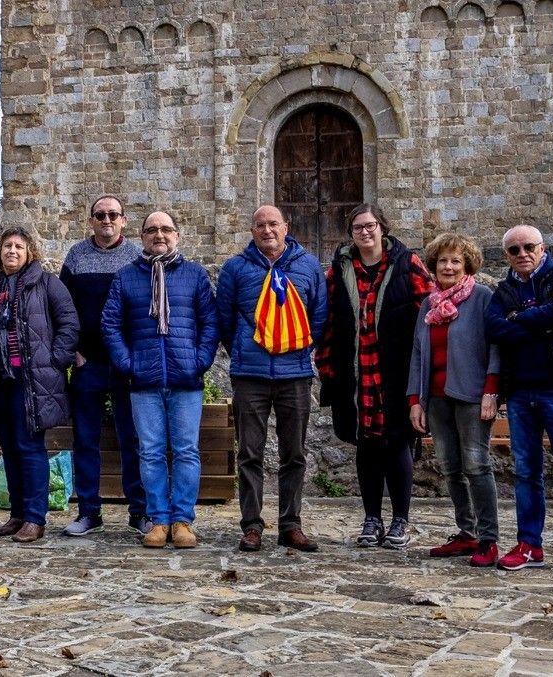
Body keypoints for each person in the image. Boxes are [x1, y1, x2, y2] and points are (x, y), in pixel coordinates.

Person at [316, 203, 432, 549]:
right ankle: (371, 519)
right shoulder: (339, 269)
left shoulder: (407, 263)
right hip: (356, 370)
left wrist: (421, 368)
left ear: (382, 227)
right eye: (357, 227)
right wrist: (327, 369)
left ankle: (400, 520)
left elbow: (429, 311)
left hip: (394, 371)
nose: (364, 232)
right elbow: (328, 321)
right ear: (350, 233)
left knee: (397, 442)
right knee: (365, 444)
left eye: (370, 226)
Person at [103, 211, 218, 549]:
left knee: (186, 451)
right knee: (150, 452)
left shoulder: (195, 275)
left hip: (186, 379)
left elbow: (210, 323)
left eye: (166, 229)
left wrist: (200, 361)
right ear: (142, 236)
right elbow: (110, 325)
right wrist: (128, 364)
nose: (159, 235)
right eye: (152, 230)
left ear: (177, 236)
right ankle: (158, 520)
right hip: (144, 381)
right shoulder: (126, 277)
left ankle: (182, 521)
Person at [485, 225, 553, 576]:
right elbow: (494, 329)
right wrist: (543, 319)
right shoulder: (502, 290)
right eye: (514, 250)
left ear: (542, 247)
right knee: (526, 473)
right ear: (506, 256)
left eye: (528, 247)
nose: (522, 254)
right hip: (520, 393)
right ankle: (529, 543)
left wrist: (520, 318)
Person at [218, 205, 327, 553]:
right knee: (249, 453)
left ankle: (290, 524)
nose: (267, 230)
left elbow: (319, 315)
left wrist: (297, 346)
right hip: (250, 374)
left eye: (273, 224)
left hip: (294, 374)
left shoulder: (308, 266)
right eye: (260, 225)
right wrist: (243, 350)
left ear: (286, 227)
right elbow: (224, 319)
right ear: (251, 230)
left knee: (294, 452)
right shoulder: (236, 268)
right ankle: (251, 526)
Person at [0, 227, 79, 543]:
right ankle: (18, 514)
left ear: (29, 252)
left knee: (30, 447)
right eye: (7, 246)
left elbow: (69, 323)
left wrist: (54, 358)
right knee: (8, 448)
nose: (12, 251)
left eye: (19, 246)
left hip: (32, 381)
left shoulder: (47, 283)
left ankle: (35, 518)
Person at [408, 233, 501, 567]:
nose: (448, 266)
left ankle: (488, 539)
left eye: (455, 261)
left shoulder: (482, 298)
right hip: (436, 397)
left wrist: (491, 391)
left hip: (473, 396)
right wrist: (415, 400)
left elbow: (495, 347)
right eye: (443, 261)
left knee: (476, 464)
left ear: (467, 265)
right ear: (434, 265)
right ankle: (467, 532)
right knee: (450, 467)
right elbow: (418, 353)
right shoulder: (428, 304)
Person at [58, 195, 149, 537]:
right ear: (91, 220)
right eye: (100, 215)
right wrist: (73, 353)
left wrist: (136, 354)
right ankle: (89, 512)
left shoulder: (137, 257)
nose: (106, 220)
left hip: (126, 363)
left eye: (113, 214)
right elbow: (62, 310)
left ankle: (139, 512)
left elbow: (146, 309)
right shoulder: (77, 257)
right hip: (88, 363)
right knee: (85, 440)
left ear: (124, 220)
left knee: (133, 439)